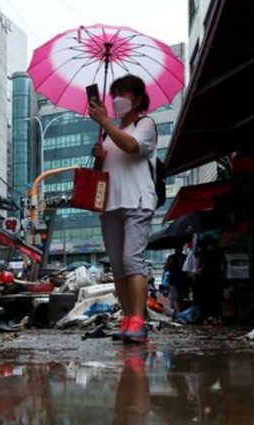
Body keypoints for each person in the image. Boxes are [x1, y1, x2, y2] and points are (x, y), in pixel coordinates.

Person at [88, 74, 158, 344]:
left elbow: (132, 146)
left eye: (124, 93)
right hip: (110, 204)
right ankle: (128, 318)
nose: (117, 99)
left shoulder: (146, 123)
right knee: (117, 265)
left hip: (137, 201)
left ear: (138, 99)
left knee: (131, 259)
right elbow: (103, 171)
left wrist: (105, 120)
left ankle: (139, 320)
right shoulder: (107, 133)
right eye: (114, 93)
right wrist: (98, 156)